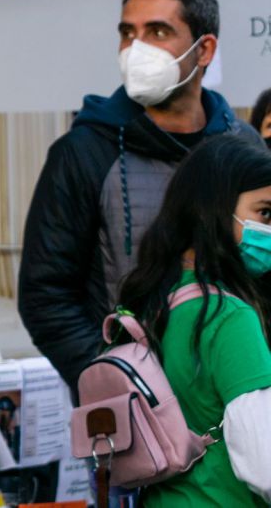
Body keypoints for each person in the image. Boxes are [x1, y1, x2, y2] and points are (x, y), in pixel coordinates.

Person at [19, 0, 260, 390]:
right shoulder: (84, 153)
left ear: (204, 51)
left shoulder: (244, 149)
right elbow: (46, 296)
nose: (136, 49)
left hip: (239, 388)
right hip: (138, 422)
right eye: (128, 33)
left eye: (158, 32)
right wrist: (115, 380)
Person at [116, 135, 271, 507]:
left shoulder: (154, 300)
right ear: (213, 210)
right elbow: (265, 463)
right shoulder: (229, 317)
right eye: (264, 213)